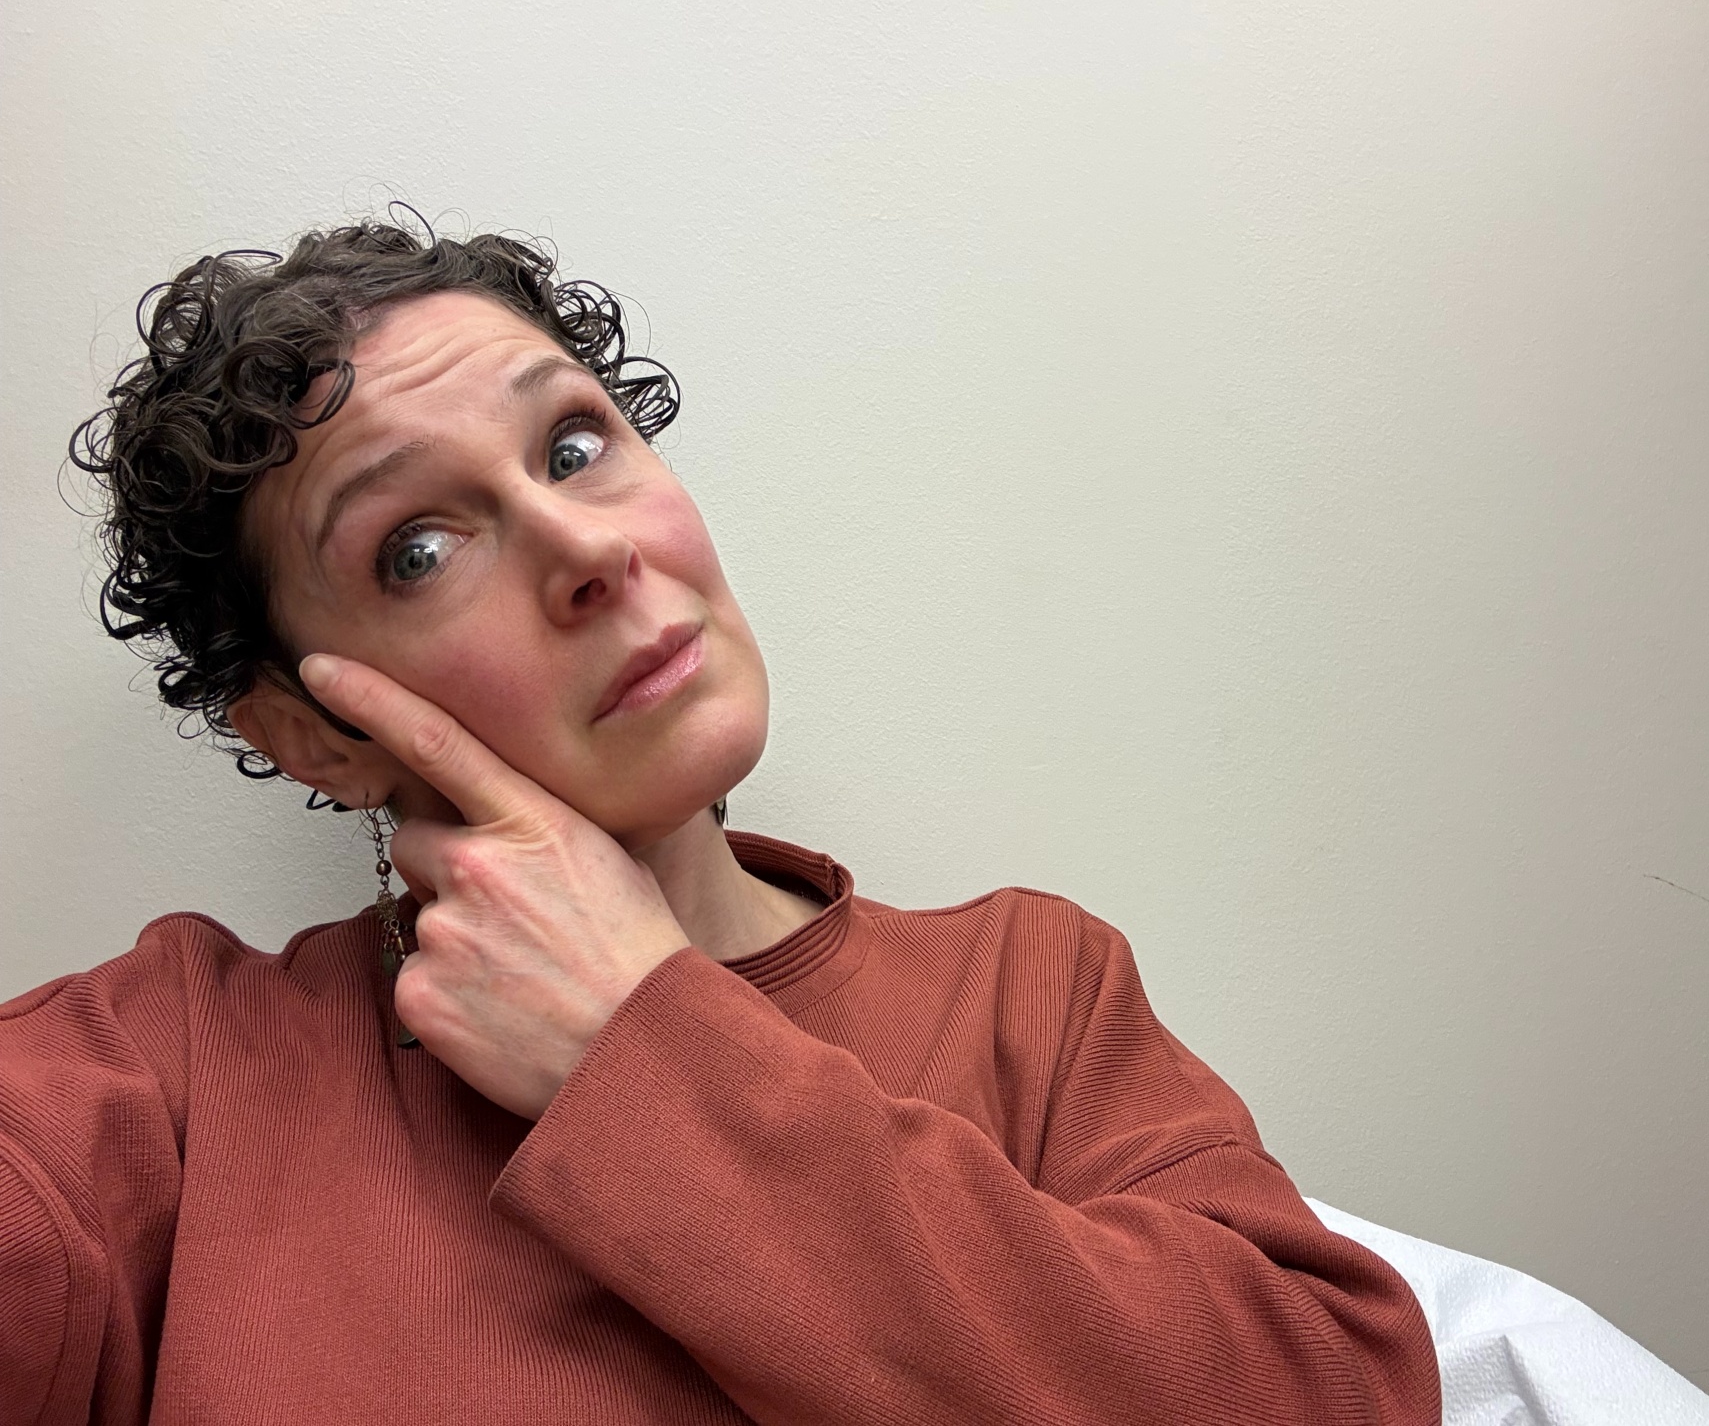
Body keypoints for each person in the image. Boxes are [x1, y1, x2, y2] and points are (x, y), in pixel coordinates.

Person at [0, 217, 1441, 1424]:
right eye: (419, 548)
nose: (590, 547)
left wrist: (639, 1052)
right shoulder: (173, 1077)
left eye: (575, 446)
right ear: (317, 733)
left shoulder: (1030, 994)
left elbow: (1337, 1395)